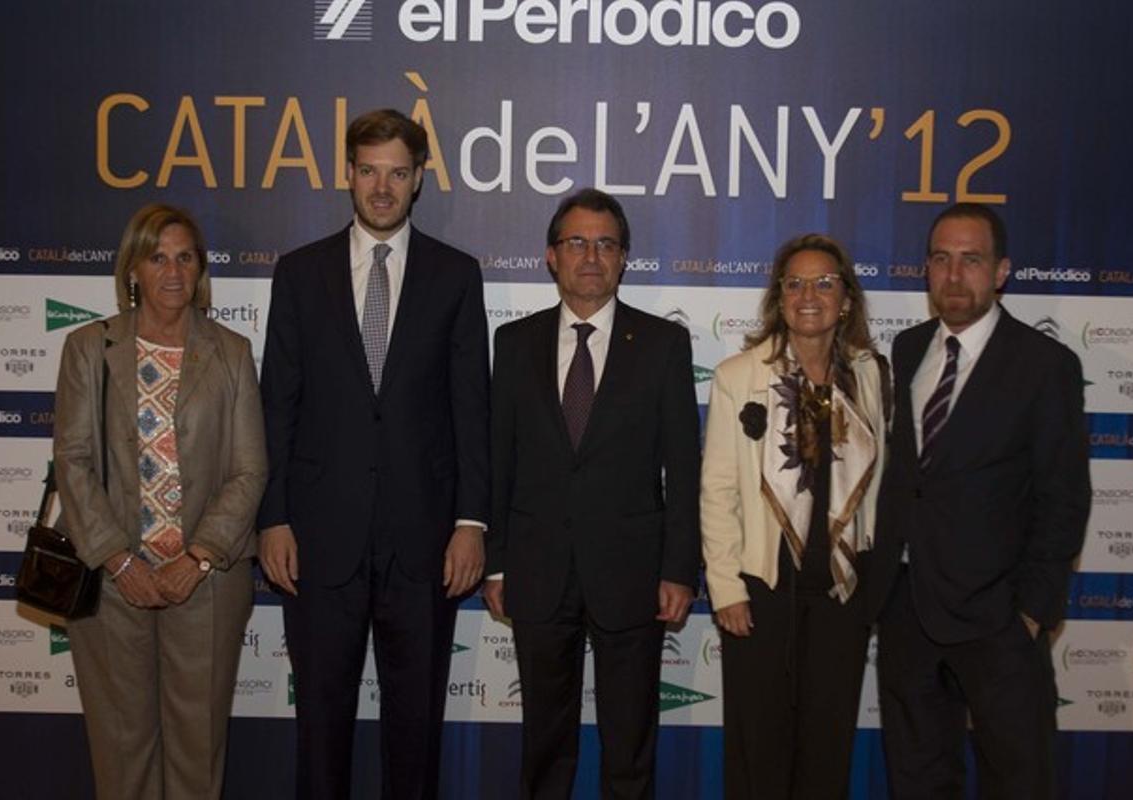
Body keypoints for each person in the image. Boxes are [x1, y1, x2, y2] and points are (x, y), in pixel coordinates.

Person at [257, 108, 490, 799]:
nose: (381, 187)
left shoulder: (456, 274)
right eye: (368, 171)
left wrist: (471, 522)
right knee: (321, 731)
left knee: (415, 734)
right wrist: (273, 518)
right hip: (319, 542)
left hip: (423, 546)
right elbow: (278, 405)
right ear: (347, 175)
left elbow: (469, 406)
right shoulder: (300, 274)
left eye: (397, 172)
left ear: (418, 180)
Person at [483, 188, 701, 800]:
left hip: (632, 575)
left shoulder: (663, 345)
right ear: (551, 256)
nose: (590, 256)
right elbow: (500, 463)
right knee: (544, 744)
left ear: (624, 258)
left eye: (605, 244)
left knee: (629, 744)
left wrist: (680, 570)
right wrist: (497, 562)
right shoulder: (514, 343)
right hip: (537, 568)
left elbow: (684, 468)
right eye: (576, 242)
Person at [867, 203, 1090, 798]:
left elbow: (1064, 497)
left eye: (971, 259)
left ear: (1001, 272)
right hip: (908, 609)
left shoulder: (1046, 366)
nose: (953, 274)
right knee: (916, 777)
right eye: (941, 259)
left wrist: (1031, 612)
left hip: (998, 619)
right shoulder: (909, 350)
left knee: (1016, 778)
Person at [52, 203, 267, 798]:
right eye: (158, 257)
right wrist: (120, 560)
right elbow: (72, 461)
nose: (173, 272)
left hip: (205, 585)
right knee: (122, 752)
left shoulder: (231, 352)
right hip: (112, 585)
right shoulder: (88, 349)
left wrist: (197, 558)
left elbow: (249, 471)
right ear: (133, 269)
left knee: (198, 752)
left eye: (185, 257)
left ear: (200, 269)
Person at [700, 233, 888, 799]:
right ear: (779, 297)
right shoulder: (739, 374)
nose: (810, 295)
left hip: (840, 593)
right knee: (758, 749)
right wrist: (726, 587)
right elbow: (718, 489)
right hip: (761, 590)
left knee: (827, 749)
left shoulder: (872, 373)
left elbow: (884, 487)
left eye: (824, 282)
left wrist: (874, 585)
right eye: (795, 283)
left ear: (847, 299)